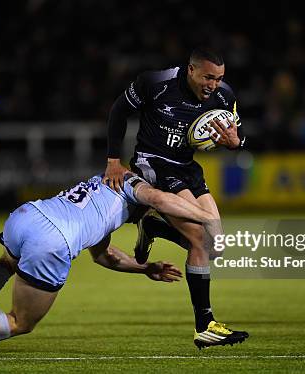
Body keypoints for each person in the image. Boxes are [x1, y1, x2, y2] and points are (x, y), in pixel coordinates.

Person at [0, 173, 242, 362]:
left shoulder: (105, 191)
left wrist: (145, 268)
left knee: (5, 263)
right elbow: (158, 200)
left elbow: (103, 254)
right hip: (52, 242)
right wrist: (208, 219)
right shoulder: (135, 185)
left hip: (28, 216)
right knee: (20, 321)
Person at [103, 47, 249, 348]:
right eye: (208, 77)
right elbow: (118, 110)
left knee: (216, 247)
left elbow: (237, 134)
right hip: (154, 163)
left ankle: (154, 227)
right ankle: (205, 325)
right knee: (198, 238)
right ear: (191, 70)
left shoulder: (224, 96)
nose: (213, 84)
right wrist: (113, 161)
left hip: (187, 167)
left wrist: (235, 143)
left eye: (219, 78)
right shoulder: (156, 83)